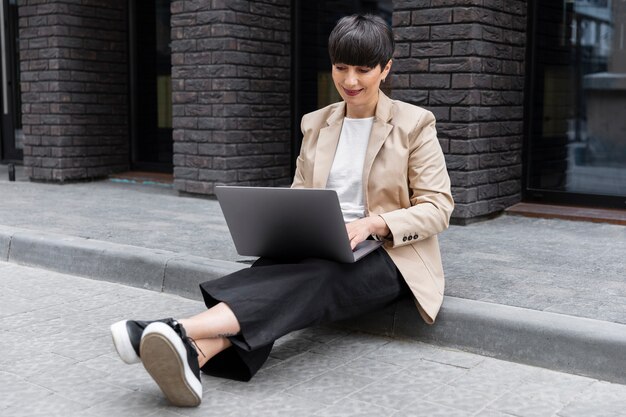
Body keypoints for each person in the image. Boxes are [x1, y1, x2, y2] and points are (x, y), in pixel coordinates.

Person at [110, 14, 453, 407]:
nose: (351, 81)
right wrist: (287, 226)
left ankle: (170, 329)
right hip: (322, 241)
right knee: (271, 272)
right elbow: (301, 194)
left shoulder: (414, 124)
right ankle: (195, 355)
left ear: (386, 68)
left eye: (363, 70)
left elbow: (438, 207)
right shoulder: (317, 124)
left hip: (389, 254)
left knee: (318, 275)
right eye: (341, 68)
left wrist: (372, 223)